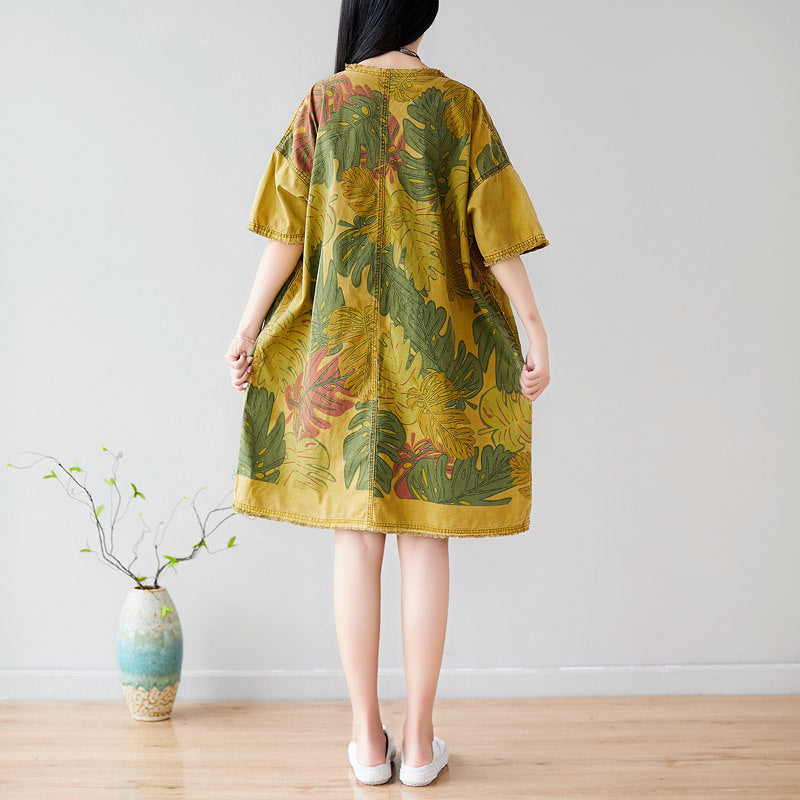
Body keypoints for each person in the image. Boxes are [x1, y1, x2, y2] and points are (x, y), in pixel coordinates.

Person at [224, 0, 551, 787]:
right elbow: (495, 227)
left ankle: (367, 743)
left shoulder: (323, 102)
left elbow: (288, 231)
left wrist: (247, 325)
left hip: (341, 355)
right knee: (425, 540)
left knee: (356, 541)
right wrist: (534, 325)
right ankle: (421, 740)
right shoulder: (457, 107)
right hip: (432, 352)